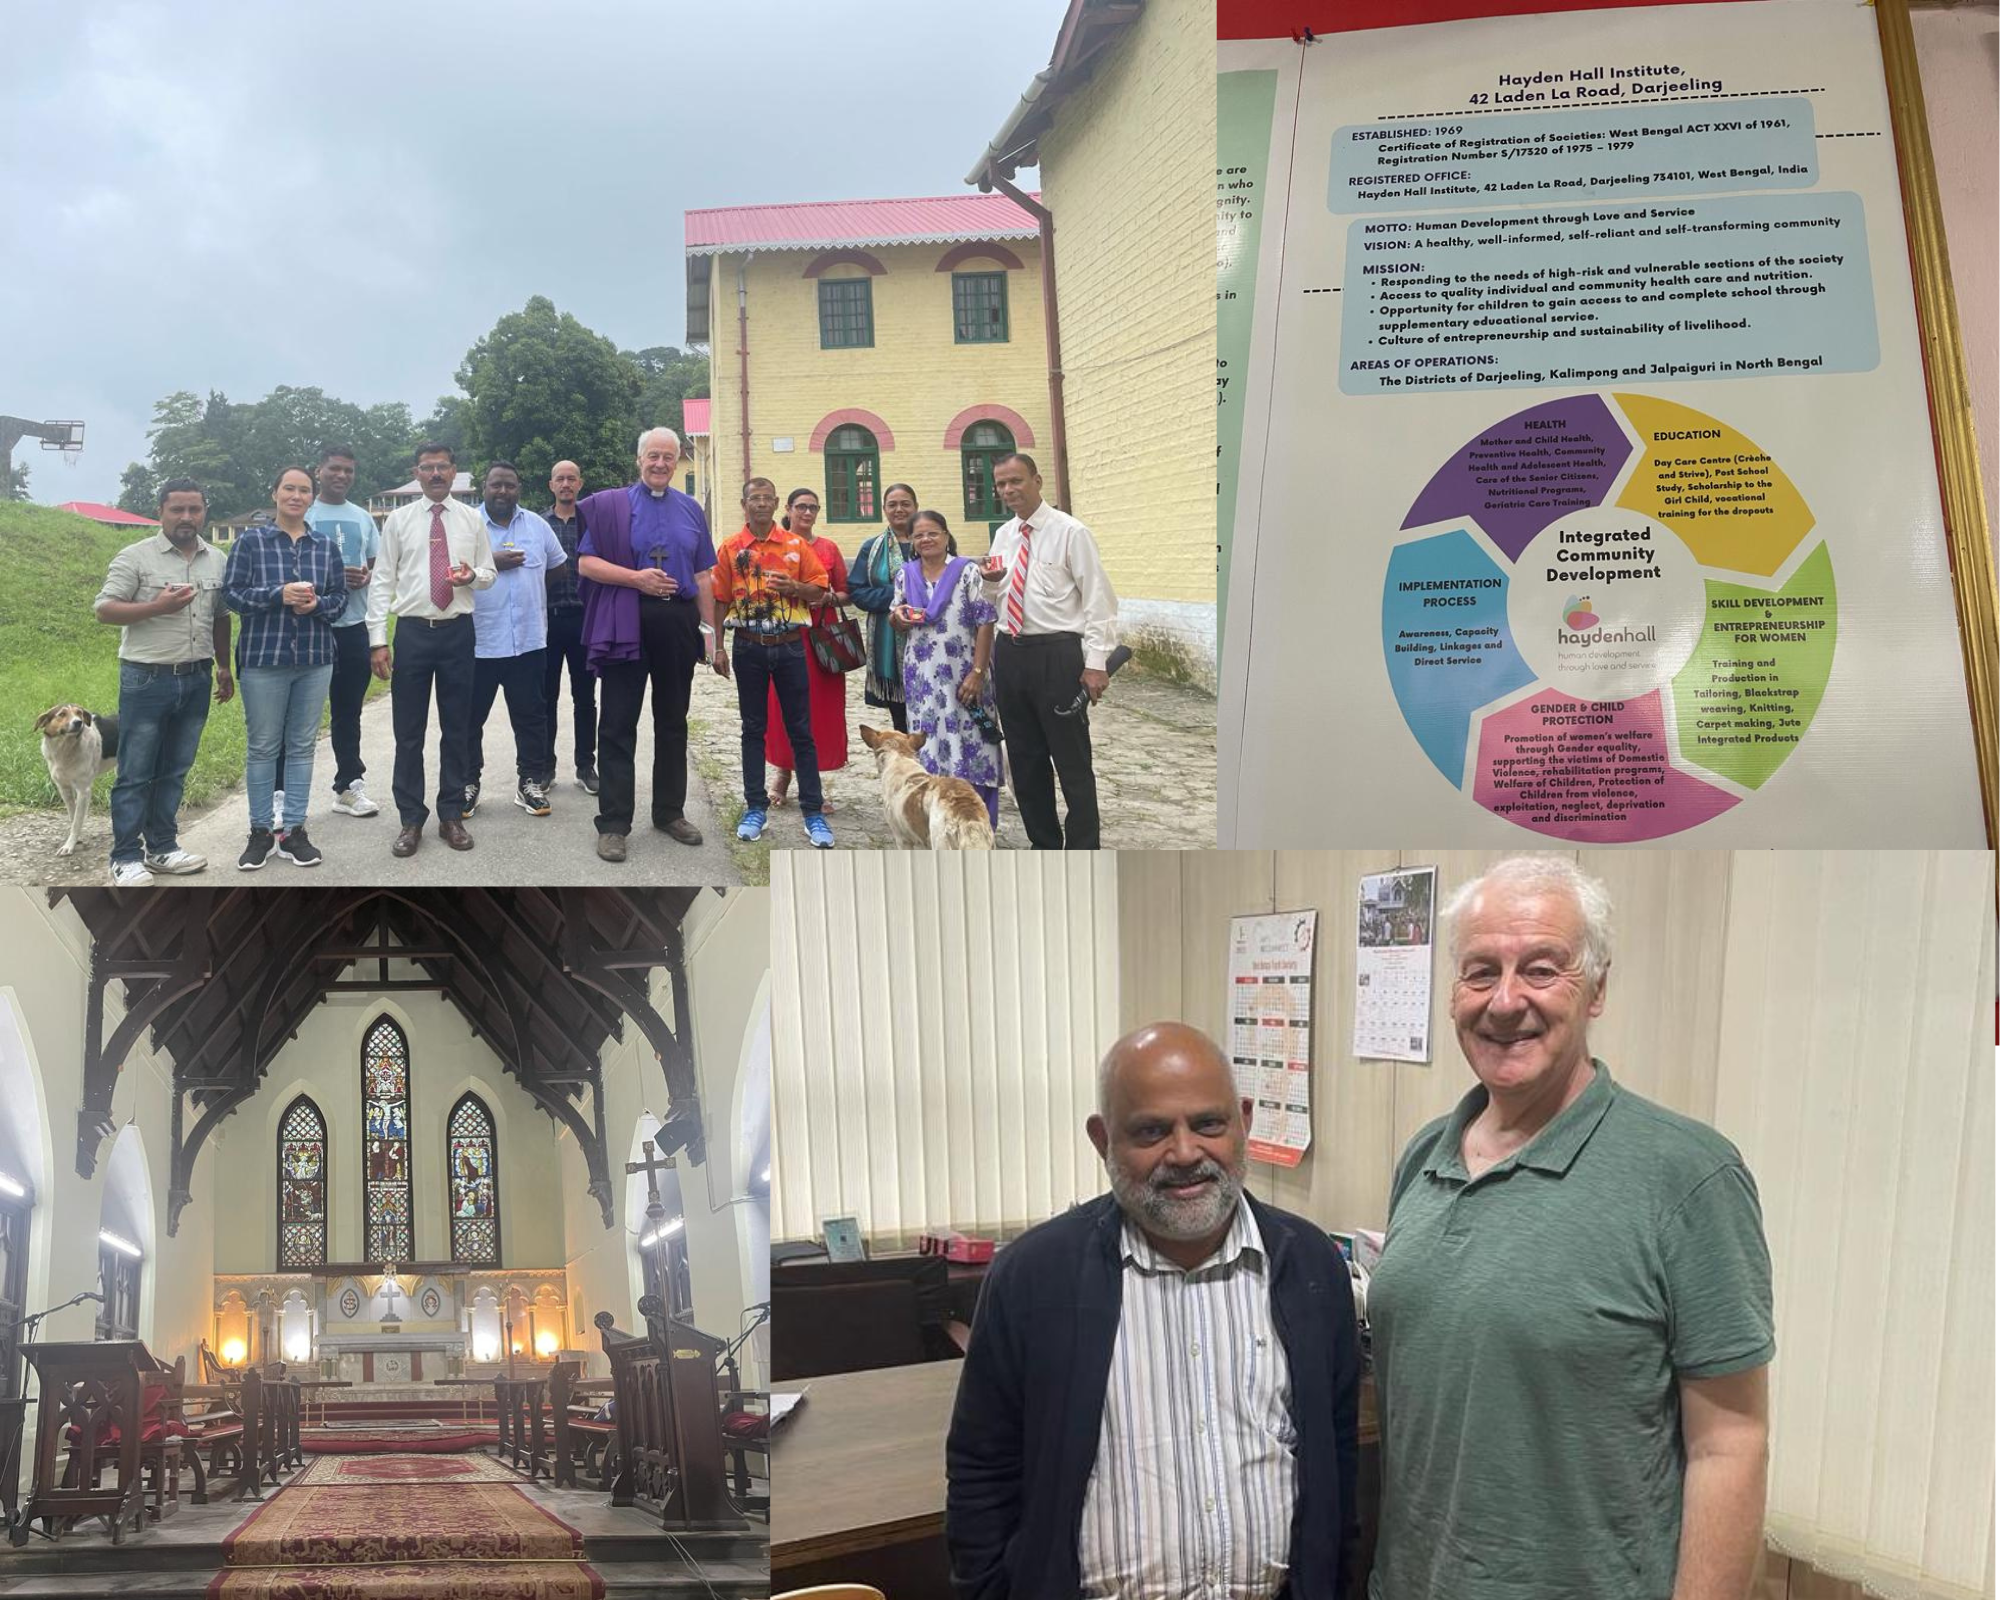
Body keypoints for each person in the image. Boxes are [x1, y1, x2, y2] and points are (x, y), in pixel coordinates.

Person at [1367, 855, 1773, 1600]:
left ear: (1597, 990)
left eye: (1542, 969)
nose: (1505, 1000)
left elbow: (1730, 1444)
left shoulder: (1687, 1175)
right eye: (1480, 971)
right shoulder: (1424, 1155)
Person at [945, 1021, 1359, 1600]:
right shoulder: (1032, 1278)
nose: (1185, 1153)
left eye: (1209, 1124)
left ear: (1243, 1120)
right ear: (1102, 1139)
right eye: (1151, 1131)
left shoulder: (1311, 1265)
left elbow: (1335, 1458)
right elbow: (981, 1471)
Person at [575, 426, 718, 862]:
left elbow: (703, 576)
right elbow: (586, 563)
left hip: (678, 619)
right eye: (652, 456)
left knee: (673, 720)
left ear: (677, 463)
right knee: (618, 723)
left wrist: (711, 634)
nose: (660, 464)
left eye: (668, 458)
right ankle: (614, 823)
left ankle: (669, 811)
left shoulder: (692, 509)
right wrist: (636, 578)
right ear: (639, 460)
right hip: (627, 618)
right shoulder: (613, 506)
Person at [92, 477, 234, 886]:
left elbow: (221, 616)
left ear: (204, 511)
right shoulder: (135, 557)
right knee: (135, 772)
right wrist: (157, 606)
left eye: (195, 509)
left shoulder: (217, 559)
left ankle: (163, 848)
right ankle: (124, 856)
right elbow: (104, 610)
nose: (187, 517)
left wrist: (224, 667)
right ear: (161, 512)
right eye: (178, 510)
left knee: (174, 769)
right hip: (146, 679)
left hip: (196, 678)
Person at [979, 454, 1118, 850]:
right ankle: (1043, 843)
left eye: (1016, 481)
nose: (1008, 490)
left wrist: (1095, 663)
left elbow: (1098, 601)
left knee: (1071, 761)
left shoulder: (1071, 532)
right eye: (1001, 484)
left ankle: (1082, 847)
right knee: (1024, 761)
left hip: (1057, 655)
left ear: (1037, 481)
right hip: (1011, 653)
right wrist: (990, 584)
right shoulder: (1004, 535)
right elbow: (996, 599)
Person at [366, 441, 494, 857]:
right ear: (416, 473)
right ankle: (410, 819)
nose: (436, 474)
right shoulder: (399, 520)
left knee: (457, 728)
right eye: (427, 467)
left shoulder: (472, 518)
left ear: (455, 471)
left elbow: (489, 573)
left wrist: (471, 574)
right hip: (414, 633)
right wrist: (378, 640)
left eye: (442, 467)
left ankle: (451, 814)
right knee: (408, 732)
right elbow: (382, 580)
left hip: (458, 631)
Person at [223, 465, 348, 868]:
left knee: (301, 746)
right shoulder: (251, 543)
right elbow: (233, 596)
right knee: (262, 747)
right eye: (289, 489)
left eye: (304, 490)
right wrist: (278, 594)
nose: (296, 496)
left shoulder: (325, 546)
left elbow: (339, 598)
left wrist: (318, 605)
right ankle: (260, 831)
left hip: (315, 659)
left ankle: (294, 829)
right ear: (275, 493)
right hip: (264, 659)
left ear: (312, 498)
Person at [709, 477, 834, 849]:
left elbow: (820, 589)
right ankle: (754, 806)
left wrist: (795, 589)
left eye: (767, 499)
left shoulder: (796, 545)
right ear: (743, 504)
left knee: (800, 728)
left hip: (790, 645)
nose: (761, 504)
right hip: (748, 647)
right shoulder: (731, 548)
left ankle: (812, 810)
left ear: (777, 503)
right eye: (754, 499)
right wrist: (717, 646)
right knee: (752, 727)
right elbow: (718, 599)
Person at [890, 508, 1002, 827]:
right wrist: (897, 618)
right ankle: (938, 821)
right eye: (919, 535)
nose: (926, 539)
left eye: (933, 533)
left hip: (965, 672)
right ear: (912, 541)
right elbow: (895, 617)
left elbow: (985, 621)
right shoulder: (906, 574)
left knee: (974, 744)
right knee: (930, 744)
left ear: (946, 535)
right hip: (923, 676)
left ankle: (978, 822)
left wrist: (978, 673)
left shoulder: (967, 571)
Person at [466, 461, 566, 819]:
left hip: (528, 641)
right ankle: (468, 783)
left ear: (519, 488)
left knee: (531, 717)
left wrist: (532, 592)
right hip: (479, 642)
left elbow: (558, 567)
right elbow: (453, 570)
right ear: (484, 486)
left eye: (510, 485)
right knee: (469, 718)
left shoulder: (537, 526)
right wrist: (491, 563)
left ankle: (530, 781)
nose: (503, 491)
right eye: (496, 485)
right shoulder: (467, 525)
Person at [306, 444, 381, 820]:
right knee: (297, 715)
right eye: (334, 469)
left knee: (348, 711)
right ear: (319, 471)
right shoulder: (303, 512)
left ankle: (348, 786)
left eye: (348, 471)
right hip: (309, 627)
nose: (342, 476)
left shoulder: (363, 517)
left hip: (353, 627)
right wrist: (331, 581)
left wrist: (366, 576)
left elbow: (376, 565)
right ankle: (282, 795)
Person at [764, 488, 849, 809]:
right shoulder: (774, 545)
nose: (807, 513)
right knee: (783, 705)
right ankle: (782, 773)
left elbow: (845, 592)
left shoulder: (828, 548)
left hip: (822, 639)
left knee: (819, 710)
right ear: (788, 509)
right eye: (801, 507)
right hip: (785, 632)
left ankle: (812, 782)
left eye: (813, 507)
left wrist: (826, 597)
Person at [541, 458, 597, 794]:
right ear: (551, 485)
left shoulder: (591, 523)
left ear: (579, 484)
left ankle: (585, 765)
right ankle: (545, 767)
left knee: (585, 698)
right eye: (560, 478)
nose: (565, 484)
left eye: (571, 479)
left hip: (583, 619)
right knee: (545, 698)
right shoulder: (537, 524)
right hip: (546, 621)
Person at [849, 482, 920, 732]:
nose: (899, 509)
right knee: (901, 718)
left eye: (905, 503)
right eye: (893, 504)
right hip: (887, 641)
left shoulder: (931, 540)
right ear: (884, 509)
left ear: (916, 507)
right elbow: (857, 591)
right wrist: (900, 594)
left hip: (930, 637)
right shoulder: (872, 547)